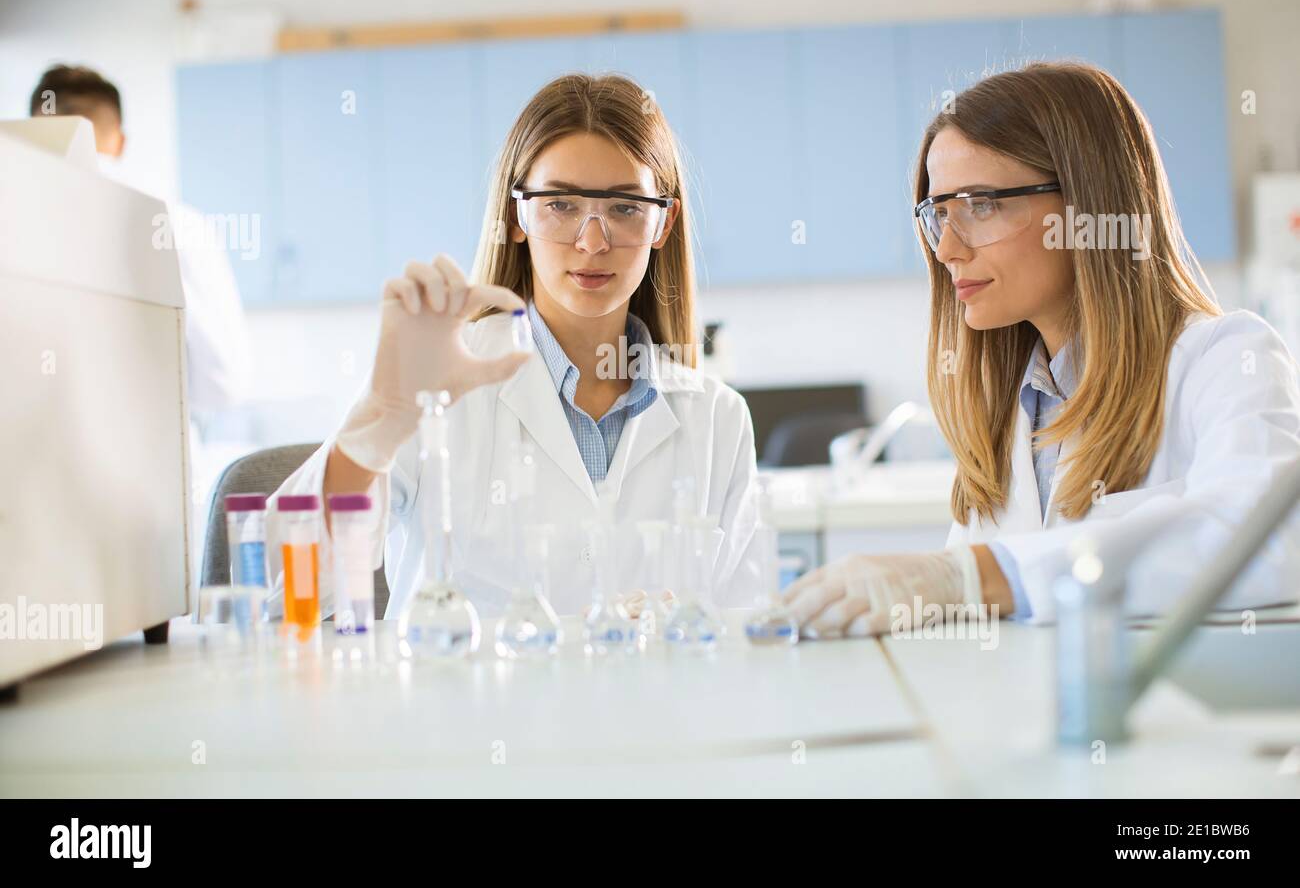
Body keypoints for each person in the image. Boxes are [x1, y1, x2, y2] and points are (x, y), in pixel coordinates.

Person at [784, 61, 1300, 636]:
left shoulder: (1223, 358)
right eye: (938, 215)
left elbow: (1269, 543)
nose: (948, 249)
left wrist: (975, 575)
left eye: (981, 205)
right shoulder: (1011, 409)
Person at [266, 73, 763, 618]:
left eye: (624, 207)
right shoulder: (437, 384)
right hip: (464, 705)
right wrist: (383, 419)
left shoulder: (718, 419)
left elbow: (745, 634)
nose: (592, 241)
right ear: (518, 216)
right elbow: (295, 586)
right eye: (561, 205)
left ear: (662, 223)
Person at [28, 64, 252, 418]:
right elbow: (224, 385)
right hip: (155, 458)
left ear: (31, 138)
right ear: (119, 139)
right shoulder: (181, 224)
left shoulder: (19, 219)